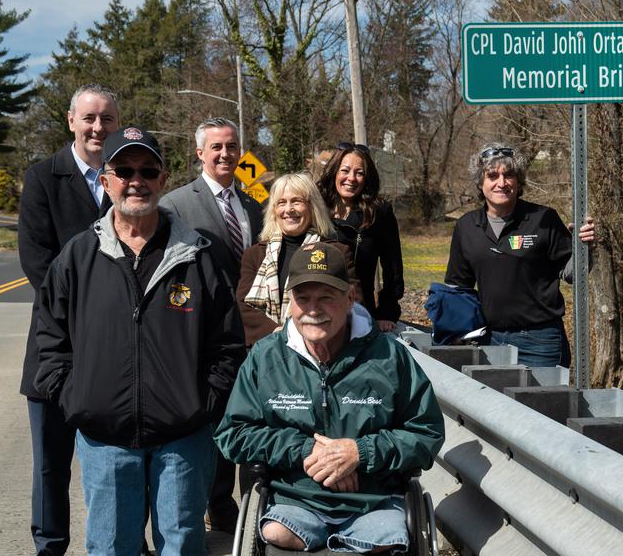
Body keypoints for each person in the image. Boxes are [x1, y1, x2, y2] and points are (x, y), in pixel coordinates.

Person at [34, 126, 245, 555]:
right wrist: (77, 397)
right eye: (125, 170)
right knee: (111, 546)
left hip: (183, 438)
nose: (137, 180)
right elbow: (50, 339)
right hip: (104, 439)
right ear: (106, 180)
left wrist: (203, 403)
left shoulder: (199, 256)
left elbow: (227, 345)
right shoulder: (76, 257)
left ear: (162, 179)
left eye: (148, 170)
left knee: (183, 544)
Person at [215, 242, 445, 552]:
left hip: (373, 502)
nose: (313, 310)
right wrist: (307, 450)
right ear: (289, 302)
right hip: (295, 499)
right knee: (276, 534)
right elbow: (234, 433)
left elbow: (426, 432)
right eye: (303, 298)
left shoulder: (389, 358)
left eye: (326, 297)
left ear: (350, 298)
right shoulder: (266, 358)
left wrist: (359, 454)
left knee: (385, 539)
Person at [17, 83, 118, 555]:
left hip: (119, 352)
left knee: (120, 464)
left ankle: (121, 543)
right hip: (55, 348)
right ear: (71, 121)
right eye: (90, 118)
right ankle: (50, 546)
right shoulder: (42, 178)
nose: (98, 128)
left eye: (107, 120)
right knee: (50, 465)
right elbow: (38, 263)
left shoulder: (128, 177)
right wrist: (94, 310)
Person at [160, 116, 262, 533]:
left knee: (251, 420)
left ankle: (250, 504)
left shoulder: (255, 203)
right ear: (199, 152)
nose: (225, 154)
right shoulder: (176, 203)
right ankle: (216, 504)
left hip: (254, 334)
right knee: (213, 421)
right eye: (216, 147)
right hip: (203, 331)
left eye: (232, 146)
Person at [444, 142, 595, 369]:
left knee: (542, 405)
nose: (501, 183)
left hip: (539, 342)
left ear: (519, 180)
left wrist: (584, 248)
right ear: (480, 182)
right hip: (487, 339)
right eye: (492, 176)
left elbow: (572, 275)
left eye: (509, 175)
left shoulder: (543, 219)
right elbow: (458, 286)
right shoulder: (466, 226)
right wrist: (455, 333)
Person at [237, 171, 355, 346]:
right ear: (273, 210)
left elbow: (353, 302)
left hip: (323, 347)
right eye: (281, 203)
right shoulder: (255, 255)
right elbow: (243, 306)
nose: (288, 209)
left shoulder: (336, 252)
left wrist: (311, 332)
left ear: (312, 206)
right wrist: (279, 333)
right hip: (267, 348)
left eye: (296, 201)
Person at [317, 142, 404, 332]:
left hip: (359, 312)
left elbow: (392, 268)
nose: (351, 178)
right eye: (345, 170)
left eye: (359, 173)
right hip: (315, 311)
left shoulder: (379, 212)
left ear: (367, 178)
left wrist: (386, 313)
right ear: (334, 172)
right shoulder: (315, 207)